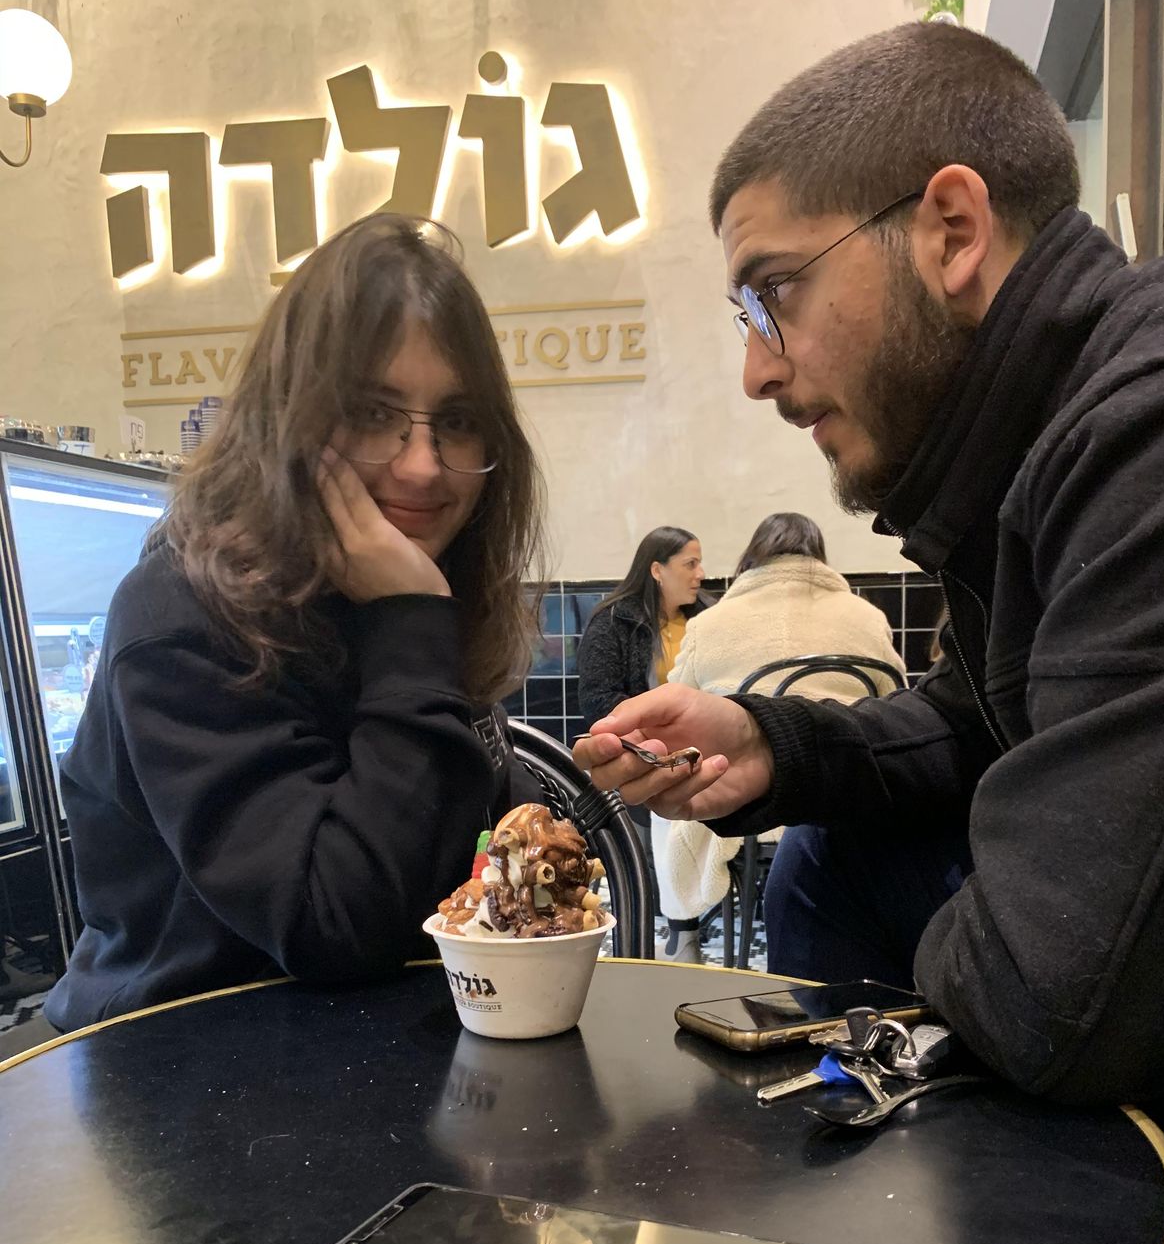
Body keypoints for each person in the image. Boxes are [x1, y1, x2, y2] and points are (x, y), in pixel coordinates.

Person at [575, 21, 1164, 1244]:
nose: (753, 368)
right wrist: (777, 745)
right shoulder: (1033, 451)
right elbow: (976, 722)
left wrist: (922, 1005)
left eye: (771, 293)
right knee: (831, 852)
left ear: (951, 230)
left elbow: (1053, 995)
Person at [45, 214, 546, 1033]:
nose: (423, 464)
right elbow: (335, 921)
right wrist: (412, 624)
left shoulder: (407, 592)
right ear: (290, 420)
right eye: (373, 412)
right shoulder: (180, 616)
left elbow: (470, 838)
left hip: (373, 1052)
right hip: (178, 1062)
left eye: (457, 420)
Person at [655, 511, 904, 962]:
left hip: (744, 804)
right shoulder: (867, 617)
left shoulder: (712, 622)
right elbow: (895, 704)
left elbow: (679, 710)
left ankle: (682, 933)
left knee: (665, 794)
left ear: (753, 557)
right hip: (842, 792)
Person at [576, 526, 706, 730]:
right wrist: (658, 728)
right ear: (657, 571)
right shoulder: (613, 621)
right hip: (638, 742)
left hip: (703, 736)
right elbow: (597, 697)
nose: (701, 574)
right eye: (691, 564)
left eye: (699, 564)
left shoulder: (707, 617)